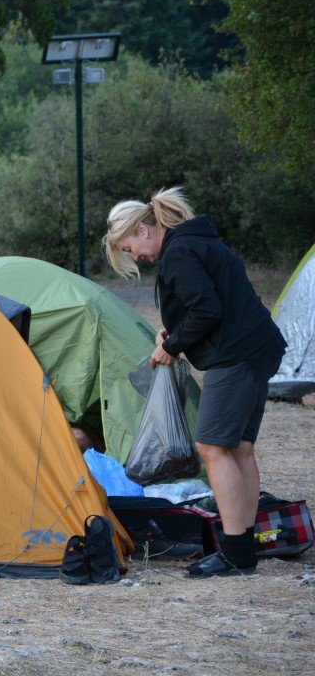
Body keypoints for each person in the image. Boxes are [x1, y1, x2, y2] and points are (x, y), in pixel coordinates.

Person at [104, 186, 286, 577]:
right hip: (259, 347)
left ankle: (235, 553)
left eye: (128, 247)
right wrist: (172, 333)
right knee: (240, 448)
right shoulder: (192, 244)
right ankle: (244, 546)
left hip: (235, 355)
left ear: (144, 231)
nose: (134, 256)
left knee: (212, 446)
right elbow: (204, 301)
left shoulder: (179, 254)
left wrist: (174, 345)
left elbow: (207, 309)